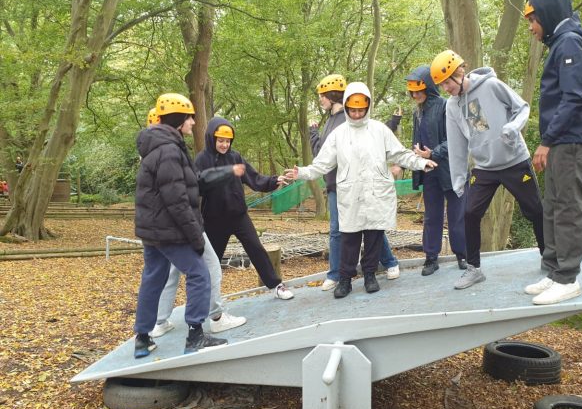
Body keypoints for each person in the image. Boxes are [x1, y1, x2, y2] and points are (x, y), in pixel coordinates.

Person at [286, 82, 436, 298]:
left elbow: (399, 154)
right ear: (346, 107)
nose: (356, 114)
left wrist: (421, 163)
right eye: (352, 110)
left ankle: (370, 275)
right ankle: (345, 279)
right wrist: (301, 172)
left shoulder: (379, 130)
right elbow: (322, 164)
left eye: (361, 110)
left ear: (367, 107)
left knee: (374, 235)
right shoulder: (338, 134)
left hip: (376, 193)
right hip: (351, 194)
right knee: (349, 238)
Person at [431, 50, 544, 290]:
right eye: (441, 85)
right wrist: (458, 179)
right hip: (484, 168)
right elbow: (457, 143)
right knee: (470, 214)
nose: (445, 89)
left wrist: (513, 127)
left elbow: (521, 107)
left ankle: (549, 258)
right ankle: (474, 270)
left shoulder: (491, 86)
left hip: (515, 161)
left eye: (447, 83)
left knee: (535, 210)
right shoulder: (453, 106)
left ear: (459, 73)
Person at [133, 93, 227, 358]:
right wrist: (195, 236)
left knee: (153, 278)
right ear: (178, 120)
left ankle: (142, 338)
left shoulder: (158, 147)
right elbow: (177, 201)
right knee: (199, 274)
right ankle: (196, 335)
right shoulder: (169, 151)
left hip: (153, 230)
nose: (194, 122)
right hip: (169, 231)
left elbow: (187, 185)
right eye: (189, 117)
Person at [523, 0, 582, 305]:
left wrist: (546, 142)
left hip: (573, 141)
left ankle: (568, 277)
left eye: (533, 20)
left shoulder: (569, 42)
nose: (531, 28)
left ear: (547, 13)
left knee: (568, 207)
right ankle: (554, 270)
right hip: (561, 143)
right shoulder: (560, 43)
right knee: (553, 204)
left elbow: (573, 99)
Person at [310, 74, 402, 290]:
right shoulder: (331, 121)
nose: (320, 101)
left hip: (351, 185)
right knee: (347, 230)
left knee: (367, 227)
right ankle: (341, 274)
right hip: (335, 183)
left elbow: (377, 138)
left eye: (322, 96)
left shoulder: (347, 120)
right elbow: (322, 155)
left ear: (332, 96)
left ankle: (375, 267)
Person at [195, 116, 294, 300]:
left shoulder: (235, 157)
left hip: (238, 216)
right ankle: (206, 299)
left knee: (256, 249)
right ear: (212, 138)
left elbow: (253, 178)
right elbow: (197, 186)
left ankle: (276, 285)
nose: (224, 145)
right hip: (214, 219)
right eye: (221, 140)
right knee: (212, 261)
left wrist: (274, 181)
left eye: (227, 141)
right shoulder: (202, 159)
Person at [406, 64, 467, 276]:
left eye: (419, 90)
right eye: (412, 91)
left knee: (457, 215)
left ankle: (463, 255)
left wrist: (433, 153)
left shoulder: (446, 105)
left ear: (429, 87)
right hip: (429, 171)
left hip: (451, 168)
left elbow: (455, 138)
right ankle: (431, 258)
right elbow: (418, 142)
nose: (415, 94)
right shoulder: (417, 112)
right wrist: (415, 158)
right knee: (432, 216)